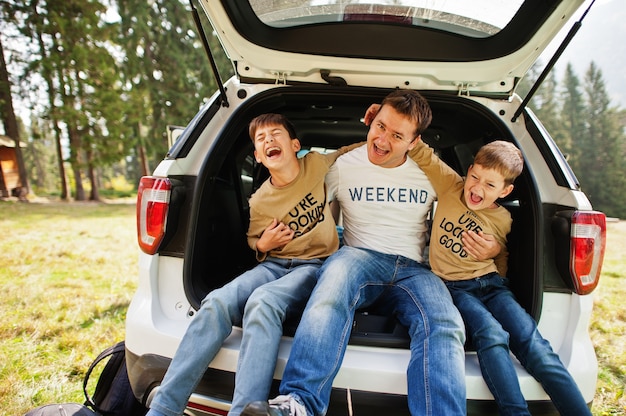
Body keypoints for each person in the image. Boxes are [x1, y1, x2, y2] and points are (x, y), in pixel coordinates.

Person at [241, 89, 501, 416]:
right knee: (331, 285)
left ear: (414, 141)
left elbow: (476, 205)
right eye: (380, 126)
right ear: (371, 118)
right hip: (358, 259)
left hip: (413, 270)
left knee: (445, 321)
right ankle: (299, 403)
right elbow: (299, 190)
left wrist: (495, 244)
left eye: (397, 135)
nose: (382, 139)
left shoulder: (431, 172)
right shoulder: (343, 166)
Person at [146, 113, 362, 416]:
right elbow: (252, 241)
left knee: (263, 301)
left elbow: (346, 152)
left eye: (275, 134)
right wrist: (264, 244)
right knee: (216, 302)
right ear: (259, 158)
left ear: (295, 145)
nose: (269, 141)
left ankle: (245, 411)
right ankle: (164, 409)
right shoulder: (260, 200)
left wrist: (379, 139)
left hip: (313, 266)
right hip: (274, 264)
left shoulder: (315, 164)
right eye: (261, 140)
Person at [405, 136, 592, 415]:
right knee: (491, 334)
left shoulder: (503, 218)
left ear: (505, 191)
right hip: (456, 288)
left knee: (535, 345)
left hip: (493, 285)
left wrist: (493, 253)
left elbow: (501, 254)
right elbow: (427, 158)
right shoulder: (451, 186)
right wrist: (410, 137)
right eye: (475, 177)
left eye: (490, 185)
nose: (477, 187)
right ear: (469, 170)